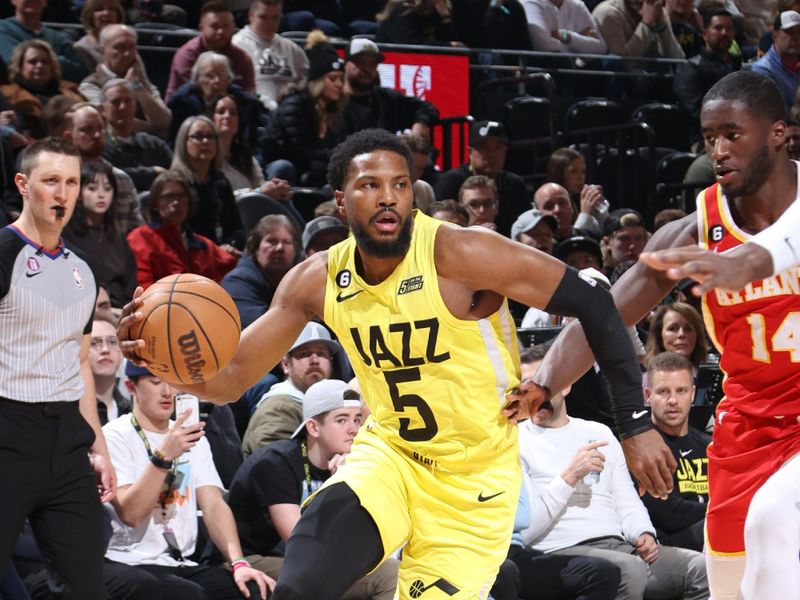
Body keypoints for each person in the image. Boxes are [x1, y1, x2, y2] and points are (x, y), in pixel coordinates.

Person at [119, 127, 650, 600]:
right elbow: (230, 379)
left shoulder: (463, 253)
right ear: (340, 201)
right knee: (302, 581)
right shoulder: (317, 279)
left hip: (475, 481)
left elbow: (594, 301)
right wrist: (161, 361)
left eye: (399, 184)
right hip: (391, 456)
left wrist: (632, 421)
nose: (387, 197)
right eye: (369, 186)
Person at [532, 70, 800, 599]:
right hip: (748, 419)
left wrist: (750, 262)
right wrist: (544, 381)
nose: (718, 151)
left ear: (777, 133)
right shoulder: (695, 231)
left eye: (732, 134)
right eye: (708, 139)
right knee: (730, 581)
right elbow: (605, 315)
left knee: (773, 523)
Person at [0, 137, 116, 599]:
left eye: (72, 181)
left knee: (89, 585)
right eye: (51, 181)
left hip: (66, 441)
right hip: (8, 431)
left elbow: (80, 361)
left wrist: (99, 446)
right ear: (24, 185)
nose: (63, 193)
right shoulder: (4, 252)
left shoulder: (83, 271)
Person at [518, 346, 709, 600]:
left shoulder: (600, 433)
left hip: (620, 546)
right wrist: (569, 478)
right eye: (524, 387)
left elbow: (626, 501)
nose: (533, 394)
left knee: (701, 568)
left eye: (541, 384)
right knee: (627, 570)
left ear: (566, 385)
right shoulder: (517, 442)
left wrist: (643, 532)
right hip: (560, 552)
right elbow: (525, 530)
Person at [102, 362, 273, 599]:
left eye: (172, 383)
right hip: (131, 561)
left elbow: (213, 504)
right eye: (155, 382)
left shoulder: (193, 438)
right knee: (187, 594)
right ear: (131, 387)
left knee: (257, 590)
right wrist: (163, 457)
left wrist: (239, 563)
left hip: (182, 562)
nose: (167, 392)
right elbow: (131, 514)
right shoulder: (114, 435)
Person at [228, 378, 400, 600]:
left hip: (300, 560)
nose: (353, 429)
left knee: (395, 570)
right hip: (253, 559)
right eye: (341, 420)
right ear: (313, 427)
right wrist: (338, 485)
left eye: (357, 419)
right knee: (386, 576)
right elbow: (302, 542)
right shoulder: (276, 462)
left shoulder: (350, 463)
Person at [641, 351, 710, 552]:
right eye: (663, 391)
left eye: (681, 390)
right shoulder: (641, 447)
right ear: (648, 395)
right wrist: (722, 513)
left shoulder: (711, 445)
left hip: (711, 531)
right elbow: (669, 513)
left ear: (693, 393)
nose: (672, 400)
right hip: (669, 546)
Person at [127, 170, 238, 288]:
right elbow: (143, 288)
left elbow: (236, 272)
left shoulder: (204, 245)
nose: (176, 202)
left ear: (189, 202)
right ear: (155, 204)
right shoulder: (140, 238)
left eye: (181, 196)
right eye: (168, 196)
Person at [241, 321, 340, 455]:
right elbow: (277, 467)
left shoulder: (334, 401)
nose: (315, 360)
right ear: (286, 365)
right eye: (305, 354)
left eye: (321, 354)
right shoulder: (278, 408)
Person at [269, 30, 349, 187]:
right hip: (283, 167)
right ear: (317, 81)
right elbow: (300, 151)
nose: (339, 84)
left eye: (341, 79)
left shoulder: (334, 110)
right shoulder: (295, 105)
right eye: (333, 79)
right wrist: (336, 155)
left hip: (312, 168)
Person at [62, 160, 138, 308]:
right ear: (79, 194)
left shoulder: (118, 236)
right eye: (92, 188)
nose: (101, 195)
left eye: (108, 189)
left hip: (120, 309)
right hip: (84, 309)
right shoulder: (66, 234)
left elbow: (131, 283)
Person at [434, 120, 530, 237]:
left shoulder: (515, 184)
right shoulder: (450, 182)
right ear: (469, 152)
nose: (491, 154)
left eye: (497, 147)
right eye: (484, 147)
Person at [79, 24, 171, 138]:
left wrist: (137, 86)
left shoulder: (142, 83)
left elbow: (164, 121)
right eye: (120, 47)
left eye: (131, 47)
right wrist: (153, 129)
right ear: (103, 50)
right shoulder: (90, 85)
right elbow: (108, 120)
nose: (127, 53)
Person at [342, 38, 439, 141]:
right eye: (360, 62)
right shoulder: (333, 99)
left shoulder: (386, 98)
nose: (366, 68)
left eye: (372, 63)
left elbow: (427, 108)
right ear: (345, 64)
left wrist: (420, 123)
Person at [170, 115, 243, 249]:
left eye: (211, 137)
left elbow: (237, 228)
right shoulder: (175, 184)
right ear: (183, 143)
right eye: (198, 136)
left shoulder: (221, 181)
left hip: (226, 254)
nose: (205, 141)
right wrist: (214, 252)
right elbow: (176, 235)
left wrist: (231, 245)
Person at [221, 214, 302, 330]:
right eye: (272, 241)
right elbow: (265, 329)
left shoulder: (302, 278)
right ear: (255, 248)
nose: (280, 248)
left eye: (287, 242)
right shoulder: (236, 281)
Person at [673, 8, 740, 144]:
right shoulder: (691, 69)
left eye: (729, 28)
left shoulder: (735, 64)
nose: (724, 33)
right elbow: (697, 113)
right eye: (718, 28)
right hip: (704, 141)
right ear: (704, 33)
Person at [165, 0, 255, 101]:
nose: (221, 31)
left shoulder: (242, 59)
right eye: (214, 27)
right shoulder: (187, 56)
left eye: (226, 26)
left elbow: (249, 97)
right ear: (201, 28)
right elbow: (197, 95)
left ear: (233, 27)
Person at [232, 0, 309, 112]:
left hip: (290, 112)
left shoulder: (291, 48)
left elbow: (307, 78)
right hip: (254, 111)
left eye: (275, 18)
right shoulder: (238, 45)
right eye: (263, 17)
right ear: (251, 15)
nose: (270, 24)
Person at [0, 40, 85, 139]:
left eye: (45, 61)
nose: (40, 66)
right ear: (20, 66)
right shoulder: (8, 95)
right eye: (32, 62)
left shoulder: (71, 89)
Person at [100, 79, 173, 192]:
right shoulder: (99, 145)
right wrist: (152, 173)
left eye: (128, 101)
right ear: (102, 109)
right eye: (116, 102)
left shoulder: (154, 144)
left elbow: (175, 174)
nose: (123, 107)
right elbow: (108, 176)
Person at [0, 0, 89, 83]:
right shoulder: (3, 30)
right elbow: (14, 64)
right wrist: (58, 61)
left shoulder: (56, 37)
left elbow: (81, 72)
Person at [546, 147, 609, 237]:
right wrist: (585, 214)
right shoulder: (549, 202)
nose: (580, 177)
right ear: (559, 173)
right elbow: (571, 242)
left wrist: (599, 208)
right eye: (573, 171)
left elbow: (605, 231)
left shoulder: (576, 198)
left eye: (583, 172)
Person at [592, 0, 684, 58]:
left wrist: (662, 24)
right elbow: (623, 64)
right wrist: (646, 24)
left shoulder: (656, 10)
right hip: (614, 83)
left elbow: (677, 58)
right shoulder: (608, 13)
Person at [752, 11, 800, 112]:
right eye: (789, 32)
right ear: (775, 35)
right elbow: (772, 112)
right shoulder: (762, 70)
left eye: (799, 32)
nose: (795, 37)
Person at [88, 316, 131, 425]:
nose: (105, 349)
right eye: (94, 343)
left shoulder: (132, 411)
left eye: (112, 342)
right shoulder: (71, 410)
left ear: (121, 353)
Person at [521, 0, 608, 53]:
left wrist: (567, 36)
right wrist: (580, 43)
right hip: (546, 68)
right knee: (560, 62)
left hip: (576, 66)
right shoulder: (531, 3)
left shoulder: (576, 4)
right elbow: (544, 47)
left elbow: (601, 48)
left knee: (611, 62)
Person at [643, 302, 708, 372]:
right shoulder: (649, 381)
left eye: (688, 329)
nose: (681, 334)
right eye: (672, 328)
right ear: (660, 336)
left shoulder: (710, 377)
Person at [75, 0, 126, 72]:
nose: (106, 13)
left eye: (111, 9)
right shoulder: (82, 48)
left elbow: (142, 78)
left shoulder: (127, 43)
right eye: (99, 9)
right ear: (90, 16)